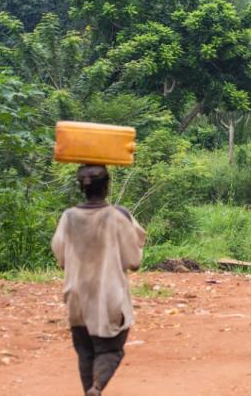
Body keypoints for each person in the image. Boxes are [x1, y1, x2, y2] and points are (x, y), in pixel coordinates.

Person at [52, 165, 146, 396]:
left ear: (81, 187)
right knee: (110, 350)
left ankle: (90, 391)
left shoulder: (69, 217)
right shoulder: (117, 216)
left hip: (76, 297)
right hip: (109, 296)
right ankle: (97, 387)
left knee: (85, 352)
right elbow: (134, 260)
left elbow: (61, 256)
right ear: (107, 185)